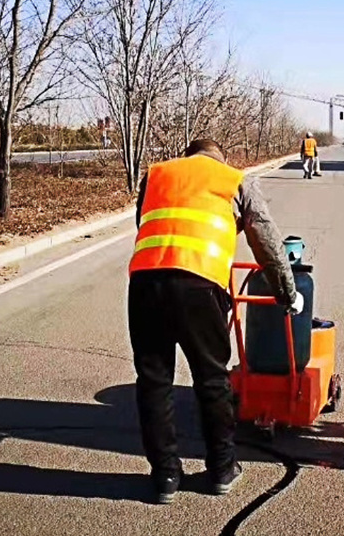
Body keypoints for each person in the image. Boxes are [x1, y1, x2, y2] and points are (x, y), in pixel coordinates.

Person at [128, 139, 303, 504]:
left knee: (153, 381)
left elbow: (145, 225)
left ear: (189, 154)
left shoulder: (156, 174)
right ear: (221, 157)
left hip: (145, 284)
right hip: (200, 286)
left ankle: (164, 478)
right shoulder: (235, 179)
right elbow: (267, 242)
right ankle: (222, 469)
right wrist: (288, 294)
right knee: (211, 379)